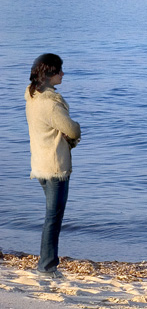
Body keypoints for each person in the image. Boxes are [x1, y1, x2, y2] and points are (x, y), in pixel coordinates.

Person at [25, 53, 81, 278]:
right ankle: (47, 266)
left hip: (40, 162)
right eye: (59, 71)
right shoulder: (50, 105)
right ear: (49, 75)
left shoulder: (31, 95)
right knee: (53, 217)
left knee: (51, 216)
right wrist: (73, 135)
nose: (63, 74)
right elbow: (73, 130)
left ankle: (47, 263)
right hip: (55, 166)